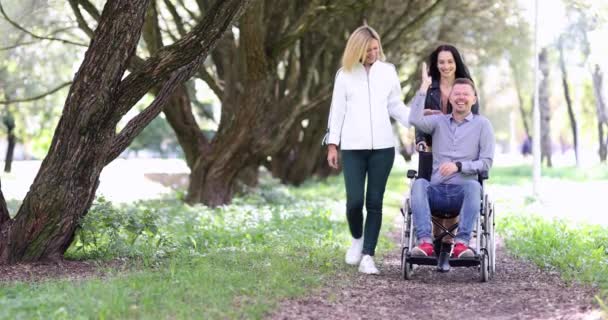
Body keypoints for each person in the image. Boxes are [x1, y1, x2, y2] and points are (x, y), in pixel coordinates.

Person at [323, 25, 418, 274]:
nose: (374, 53)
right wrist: (333, 144)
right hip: (353, 148)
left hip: (382, 149)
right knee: (354, 202)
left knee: (374, 201)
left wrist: (418, 120)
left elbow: (395, 105)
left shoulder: (388, 72)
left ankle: (368, 255)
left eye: (377, 48)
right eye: (369, 49)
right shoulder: (344, 75)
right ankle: (357, 238)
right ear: (357, 50)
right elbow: (337, 111)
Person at [408, 71, 495, 259]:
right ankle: (425, 242)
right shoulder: (439, 122)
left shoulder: (483, 125)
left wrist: (459, 166)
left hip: (463, 193)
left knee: (474, 185)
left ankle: (461, 245)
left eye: (466, 94)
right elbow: (414, 119)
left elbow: (486, 163)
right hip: (436, 191)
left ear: (474, 98)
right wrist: (423, 89)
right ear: (450, 98)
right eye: (457, 94)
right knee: (419, 183)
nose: (461, 98)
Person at [416, 44, 480, 254]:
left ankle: (450, 240)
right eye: (441, 62)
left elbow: (475, 120)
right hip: (432, 147)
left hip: (461, 150)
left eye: (450, 61)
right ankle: (435, 237)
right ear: (436, 64)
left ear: (456, 63)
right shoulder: (430, 88)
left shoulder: (466, 87)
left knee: (457, 184)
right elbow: (418, 119)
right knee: (431, 187)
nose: (446, 66)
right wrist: (421, 141)